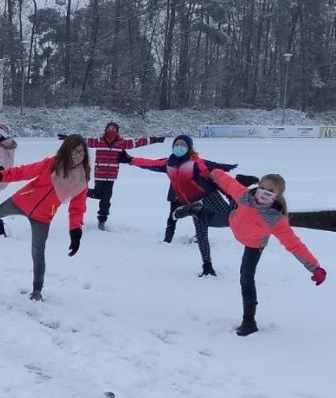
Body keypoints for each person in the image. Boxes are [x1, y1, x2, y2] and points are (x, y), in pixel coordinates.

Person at [0, 135, 90, 301]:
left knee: (38, 251)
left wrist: (76, 231)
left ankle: (37, 291)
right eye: (75, 151)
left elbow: (77, 209)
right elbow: (23, 171)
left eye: (82, 152)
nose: (78, 155)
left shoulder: (81, 180)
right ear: (67, 150)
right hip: (23, 200)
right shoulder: (51, 164)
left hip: (44, 216)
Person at [198, 168, 326, 335]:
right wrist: (214, 173)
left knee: (246, 277)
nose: (265, 192)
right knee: (210, 219)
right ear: (258, 187)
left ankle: (249, 322)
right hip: (234, 221)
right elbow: (229, 184)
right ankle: (197, 210)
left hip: (254, 244)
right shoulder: (245, 196)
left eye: (271, 191)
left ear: (278, 195)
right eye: (263, 187)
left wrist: (315, 267)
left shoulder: (274, 218)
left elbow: (294, 245)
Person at [118, 134, 237, 276]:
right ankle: (207, 266)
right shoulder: (169, 163)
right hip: (194, 204)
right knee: (201, 234)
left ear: (189, 148)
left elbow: (215, 176)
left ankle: (241, 202)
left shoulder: (196, 163)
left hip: (209, 196)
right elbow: (150, 163)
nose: (179, 147)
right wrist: (131, 160)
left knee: (232, 219)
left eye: (183, 145)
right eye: (176, 144)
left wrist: (230, 194)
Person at [62, 122, 165, 230]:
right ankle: (79, 189)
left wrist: (154, 140)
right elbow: (83, 141)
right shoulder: (99, 141)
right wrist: (68, 139)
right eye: (109, 128)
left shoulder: (121, 143)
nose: (111, 130)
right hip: (100, 175)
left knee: (106, 199)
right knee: (97, 194)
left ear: (117, 131)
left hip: (111, 177)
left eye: (114, 128)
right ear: (105, 130)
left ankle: (102, 221)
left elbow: (137, 142)